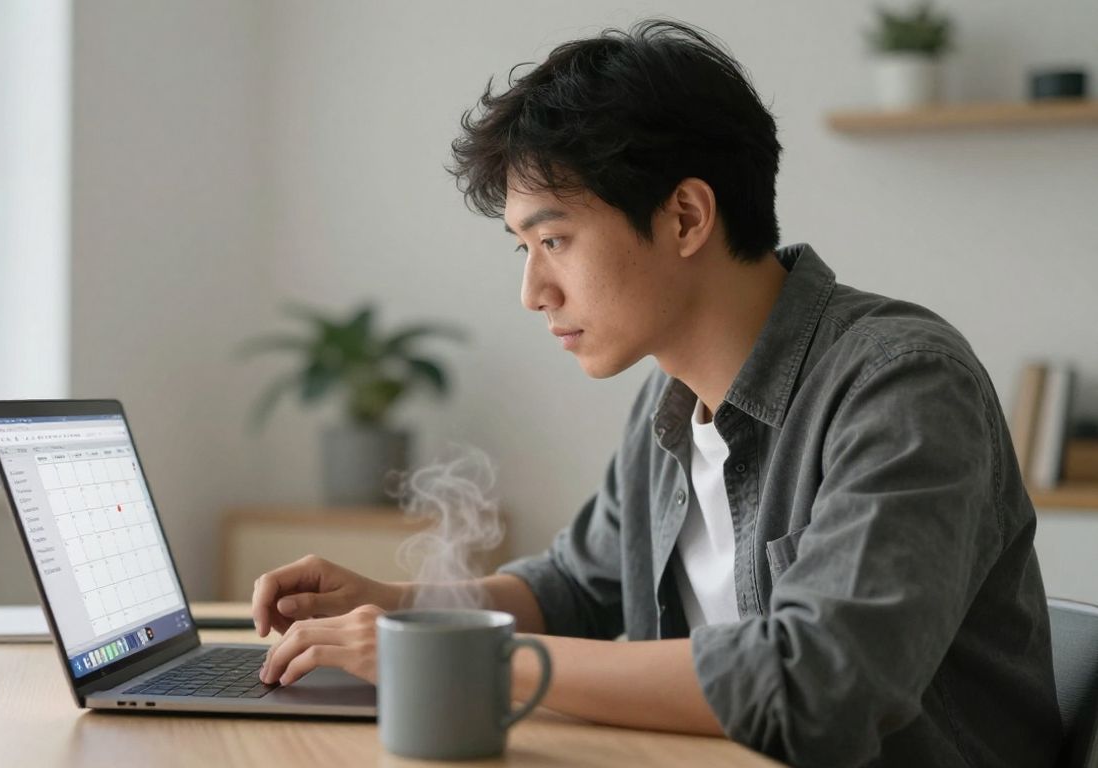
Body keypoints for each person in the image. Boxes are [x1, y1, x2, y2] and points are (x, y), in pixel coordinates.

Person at [250, 19, 1061, 768]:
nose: (533, 291)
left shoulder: (901, 383)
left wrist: (468, 658)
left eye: (555, 240)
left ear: (684, 216)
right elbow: (573, 588)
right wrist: (396, 612)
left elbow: (821, 683)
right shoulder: (667, 400)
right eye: (523, 247)